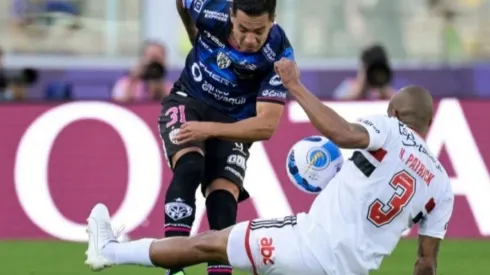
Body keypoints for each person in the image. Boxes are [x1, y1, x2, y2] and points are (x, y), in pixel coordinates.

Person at [85, 58, 454, 275]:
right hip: (350, 271)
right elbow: (426, 264)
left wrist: (294, 86)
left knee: (205, 245)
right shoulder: (440, 186)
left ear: (394, 112)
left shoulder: (389, 129)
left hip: (302, 245)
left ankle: (109, 250)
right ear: (429, 123)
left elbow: (342, 133)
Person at [157, 0, 293, 275]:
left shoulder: (279, 52)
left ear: (273, 20)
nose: (250, 39)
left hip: (232, 120)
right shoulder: (209, 8)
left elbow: (266, 126)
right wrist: (192, 33)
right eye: (243, 28)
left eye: (260, 31)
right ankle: (174, 268)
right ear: (231, 14)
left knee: (223, 197)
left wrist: (208, 129)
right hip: (189, 99)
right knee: (190, 166)